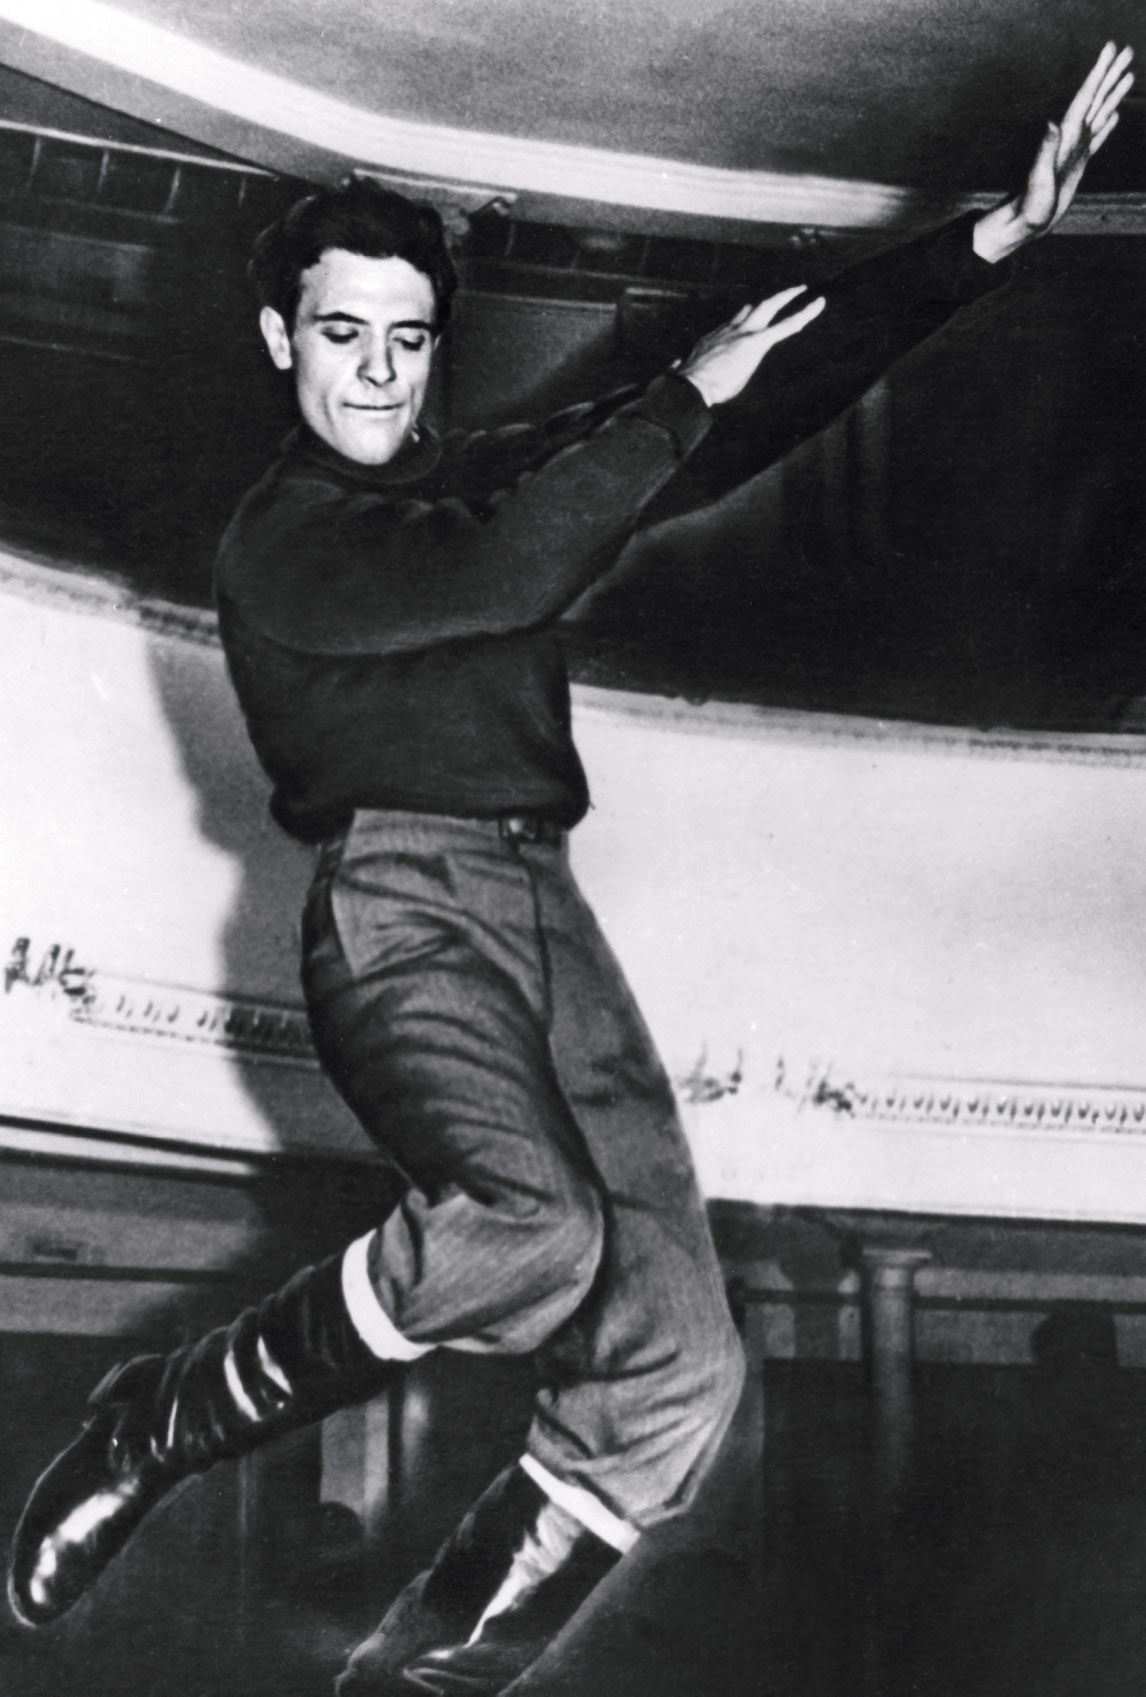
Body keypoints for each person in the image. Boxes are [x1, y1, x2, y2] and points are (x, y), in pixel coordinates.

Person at [7, 41, 1133, 1697]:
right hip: (400, 914)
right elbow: (513, 561)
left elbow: (746, 407)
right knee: (521, 1230)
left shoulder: (478, 481)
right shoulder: (284, 541)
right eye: (342, 333)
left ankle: (418, 1680)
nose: (377, 372)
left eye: (407, 339)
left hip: (547, 910)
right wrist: (678, 398)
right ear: (278, 339)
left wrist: (978, 247)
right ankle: (153, 1422)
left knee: (680, 1365)